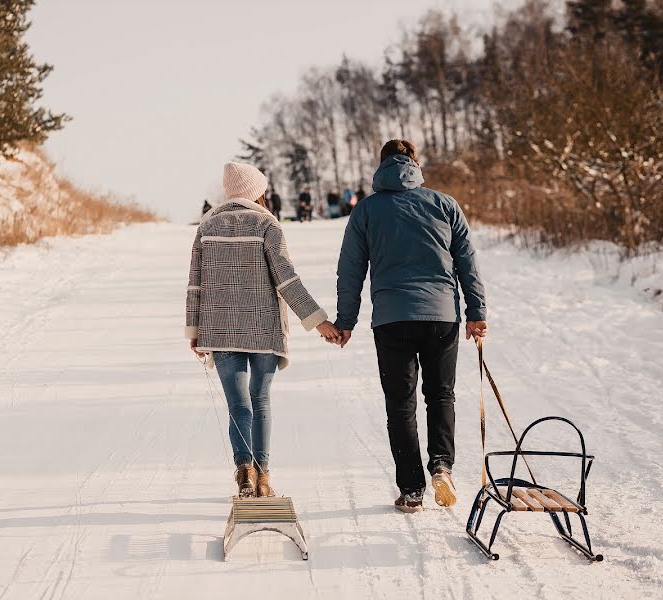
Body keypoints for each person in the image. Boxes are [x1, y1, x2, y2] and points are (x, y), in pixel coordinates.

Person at [334, 139, 488, 514]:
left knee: (400, 404)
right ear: (415, 165)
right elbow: (467, 261)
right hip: (441, 316)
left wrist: (345, 321)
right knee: (440, 395)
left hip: (391, 318)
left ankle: (412, 489)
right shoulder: (444, 204)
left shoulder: (366, 210)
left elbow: (351, 270)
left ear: (381, 165)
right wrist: (476, 311)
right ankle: (441, 465)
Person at [186, 162, 341, 498]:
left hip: (220, 329)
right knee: (260, 399)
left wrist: (193, 330)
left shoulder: (206, 226)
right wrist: (318, 321)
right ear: (257, 191)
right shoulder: (267, 225)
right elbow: (286, 280)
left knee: (238, 405)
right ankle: (264, 477)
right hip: (263, 328)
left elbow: (195, 285)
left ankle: (244, 471)